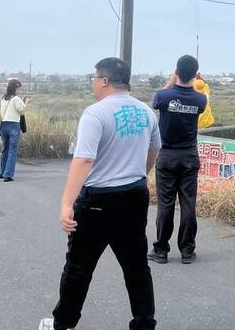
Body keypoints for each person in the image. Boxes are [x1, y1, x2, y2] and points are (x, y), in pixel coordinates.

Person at [39, 57, 161, 330]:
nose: (93, 83)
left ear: (104, 80)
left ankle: (63, 324)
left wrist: (66, 204)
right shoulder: (146, 113)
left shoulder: (95, 113)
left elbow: (83, 160)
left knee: (78, 268)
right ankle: (144, 324)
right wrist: (138, 174)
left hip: (98, 200)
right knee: (137, 267)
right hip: (134, 195)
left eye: (94, 78)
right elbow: (154, 150)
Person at [147, 55, 207, 265]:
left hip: (168, 156)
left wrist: (172, 80)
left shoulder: (164, 95)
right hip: (190, 156)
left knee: (165, 204)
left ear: (176, 72)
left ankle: (161, 250)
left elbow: (156, 101)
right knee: (188, 204)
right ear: (195, 73)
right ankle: (187, 251)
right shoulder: (200, 99)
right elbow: (199, 98)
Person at [0, 78, 27, 182]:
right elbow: (22, 111)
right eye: (19, 87)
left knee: (5, 150)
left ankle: (2, 172)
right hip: (13, 125)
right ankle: (8, 175)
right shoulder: (16, 99)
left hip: (3, 126)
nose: (19, 90)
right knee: (12, 151)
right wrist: (25, 103)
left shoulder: (3, 98)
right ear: (16, 87)